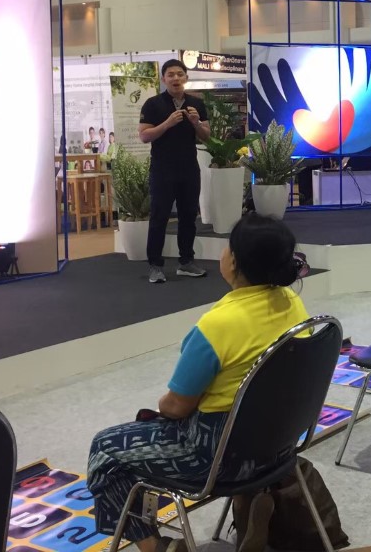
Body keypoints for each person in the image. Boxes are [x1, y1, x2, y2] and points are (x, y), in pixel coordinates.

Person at [87, 214, 309, 552]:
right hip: (278, 444)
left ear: (234, 262)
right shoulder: (292, 303)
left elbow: (175, 407)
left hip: (216, 456)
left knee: (106, 450)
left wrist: (162, 408)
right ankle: (250, 502)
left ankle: (157, 547)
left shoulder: (217, 325)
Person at [139, 59, 210, 283]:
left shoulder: (196, 104)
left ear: (186, 77)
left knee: (188, 216)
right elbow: (144, 136)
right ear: (163, 79)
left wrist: (196, 123)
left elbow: (207, 137)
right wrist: (167, 124)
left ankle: (186, 262)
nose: (176, 78)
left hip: (189, 168)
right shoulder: (152, 104)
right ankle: (155, 266)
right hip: (162, 169)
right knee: (159, 217)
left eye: (180, 74)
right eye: (171, 75)